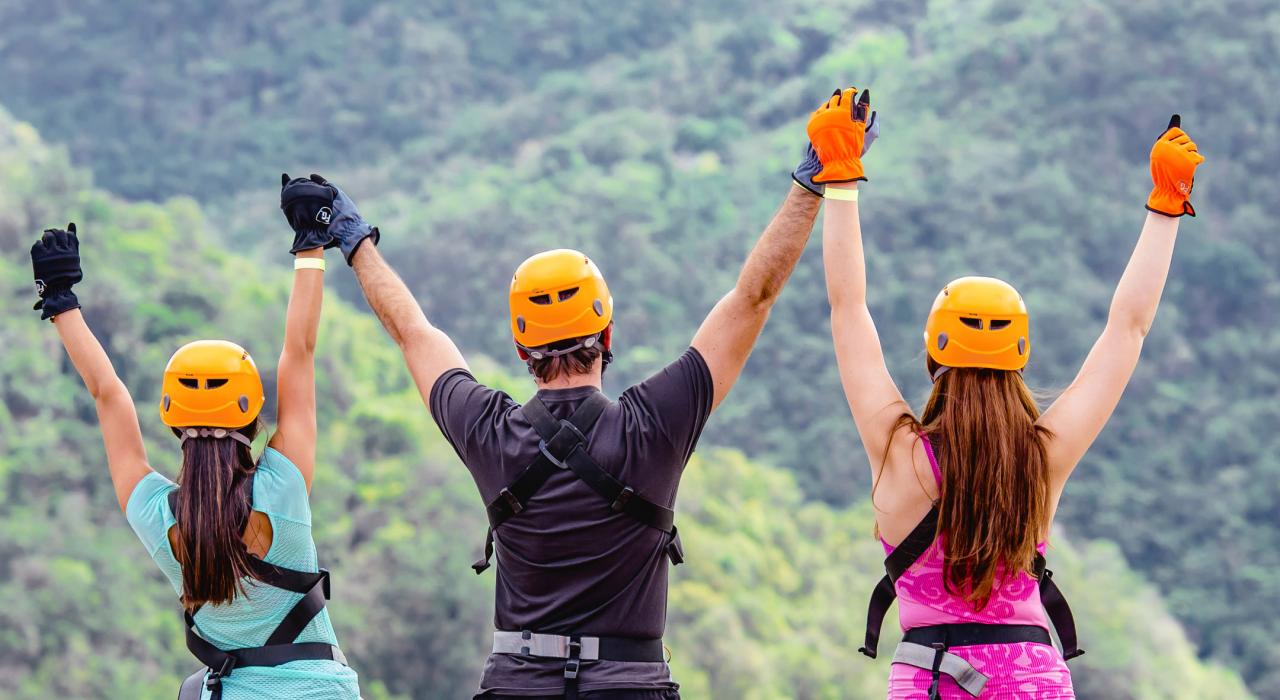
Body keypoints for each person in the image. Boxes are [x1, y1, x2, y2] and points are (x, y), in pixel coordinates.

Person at [308, 87, 869, 699]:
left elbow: (413, 333)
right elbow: (751, 298)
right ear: (607, 334)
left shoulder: (489, 431)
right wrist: (811, 181)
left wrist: (352, 239)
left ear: (522, 350)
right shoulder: (655, 423)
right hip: (629, 685)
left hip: (518, 683)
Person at [821, 102, 1204, 700]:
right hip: (1034, 676)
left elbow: (849, 308)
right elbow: (1127, 329)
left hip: (931, 675)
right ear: (1019, 356)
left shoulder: (898, 451)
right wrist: (1166, 205)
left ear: (934, 353)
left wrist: (840, 177)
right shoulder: (1043, 455)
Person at [28, 173, 369, 700]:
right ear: (253, 416)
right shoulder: (282, 487)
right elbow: (298, 353)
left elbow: (108, 395)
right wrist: (310, 243)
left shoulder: (160, 518)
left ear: (171, 418)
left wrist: (61, 301)